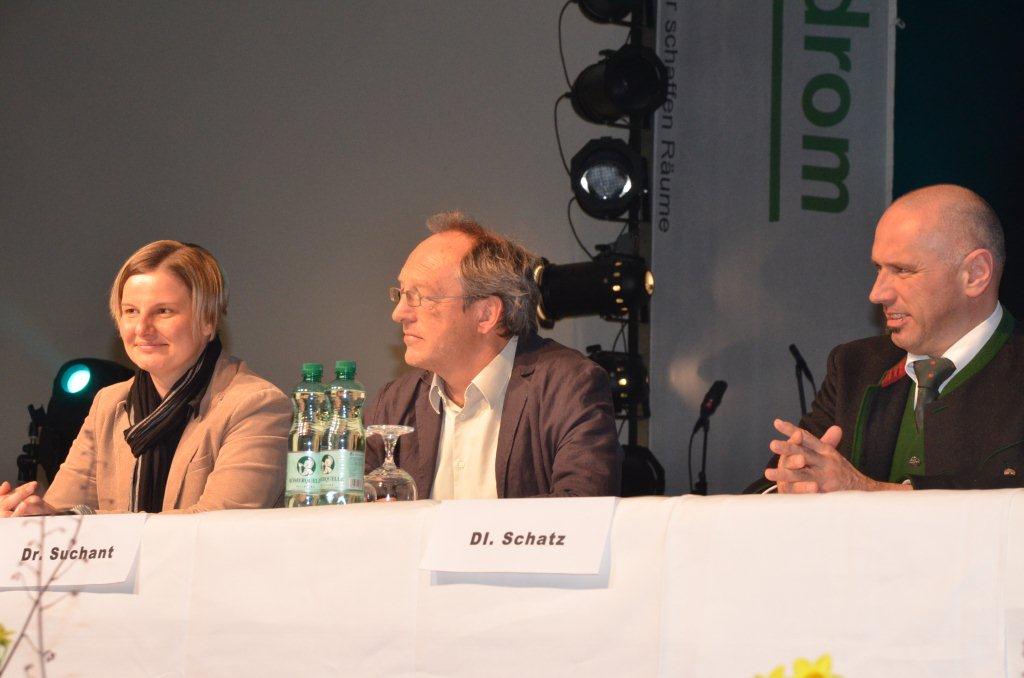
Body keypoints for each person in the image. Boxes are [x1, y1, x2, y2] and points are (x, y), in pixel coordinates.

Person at [0, 240, 291, 516]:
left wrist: (79, 518)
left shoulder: (257, 405)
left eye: (163, 311)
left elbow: (214, 528)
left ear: (208, 321)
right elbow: (62, 517)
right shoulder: (108, 404)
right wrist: (30, 518)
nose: (142, 328)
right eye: (131, 311)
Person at [765, 184, 1024, 493]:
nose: (877, 294)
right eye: (879, 269)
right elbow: (765, 487)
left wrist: (865, 490)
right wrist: (791, 483)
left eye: (902, 270)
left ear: (976, 274)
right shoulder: (853, 367)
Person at [364, 212, 622, 498]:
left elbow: (582, 510)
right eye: (401, 294)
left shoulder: (568, 387)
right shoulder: (394, 403)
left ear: (486, 314)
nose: (399, 313)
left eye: (420, 297)